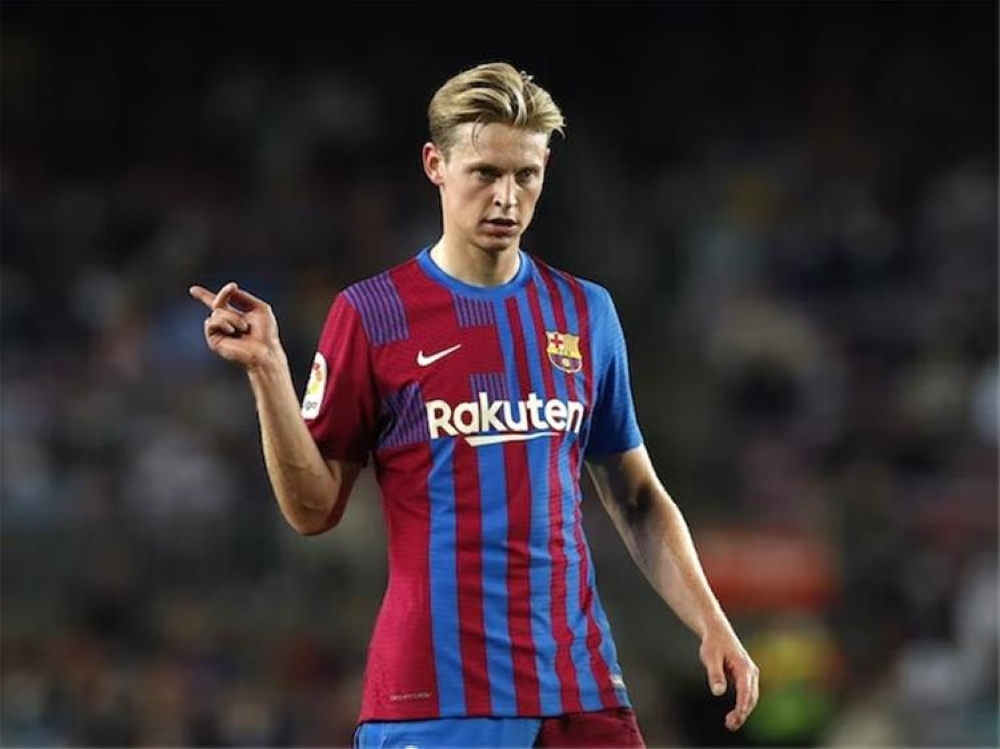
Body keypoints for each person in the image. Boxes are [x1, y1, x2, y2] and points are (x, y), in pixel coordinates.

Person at [190, 61, 759, 748]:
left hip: (579, 689)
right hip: (435, 697)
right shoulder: (373, 314)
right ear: (435, 164)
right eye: (485, 173)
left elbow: (636, 497)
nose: (506, 198)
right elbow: (313, 510)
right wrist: (268, 370)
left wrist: (711, 621)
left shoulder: (586, 313)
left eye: (526, 175)